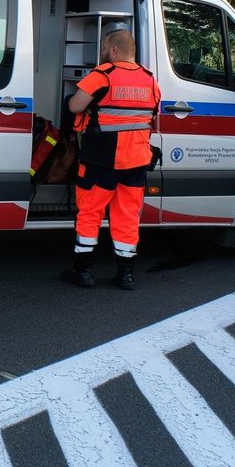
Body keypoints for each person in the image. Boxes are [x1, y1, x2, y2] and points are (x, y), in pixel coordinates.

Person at [62, 29, 161, 290]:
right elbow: (154, 120)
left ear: (114, 50)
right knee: (127, 216)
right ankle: (125, 275)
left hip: (101, 159)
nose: (103, 52)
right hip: (137, 159)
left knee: (90, 214)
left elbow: (74, 106)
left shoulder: (102, 75)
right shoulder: (150, 81)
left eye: (105, 47)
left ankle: (83, 272)